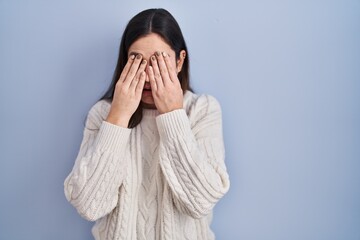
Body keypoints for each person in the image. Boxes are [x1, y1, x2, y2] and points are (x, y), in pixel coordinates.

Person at [64, 8, 230, 240]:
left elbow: (201, 202)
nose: (149, 75)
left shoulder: (202, 110)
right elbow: (89, 206)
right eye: (137, 60)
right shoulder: (102, 114)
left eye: (159, 61)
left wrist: (172, 113)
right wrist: (118, 118)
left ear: (179, 61)